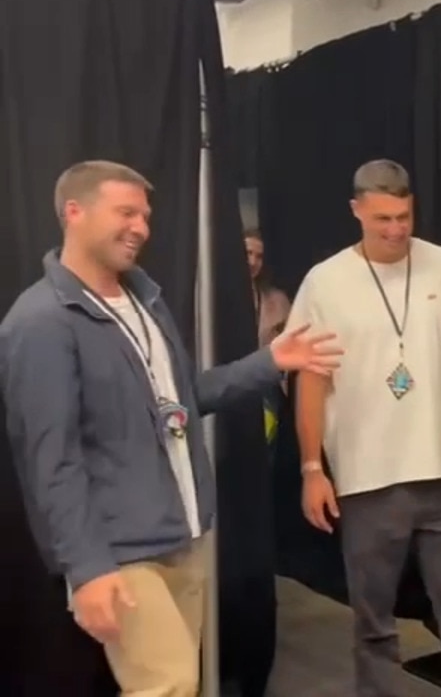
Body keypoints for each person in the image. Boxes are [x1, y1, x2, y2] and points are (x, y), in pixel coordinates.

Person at [0, 160, 343, 697]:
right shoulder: (40, 321)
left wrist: (270, 362)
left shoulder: (144, 302)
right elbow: (51, 460)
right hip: (121, 548)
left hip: (186, 536)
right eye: (126, 212)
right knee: (168, 685)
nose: (141, 227)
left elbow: (183, 400)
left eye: (145, 215)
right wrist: (86, 568)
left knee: (184, 684)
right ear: (74, 212)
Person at [287, 159, 441, 697]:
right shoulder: (326, 281)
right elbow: (310, 380)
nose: (396, 229)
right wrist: (313, 466)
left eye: (404, 216)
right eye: (382, 218)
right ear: (356, 211)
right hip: (368, 479)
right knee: (374, 621)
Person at [245, 226, 292, 348]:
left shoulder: (278, 301)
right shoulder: (217, 296)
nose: (253, 262)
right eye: (248, 253)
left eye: (259, 257)